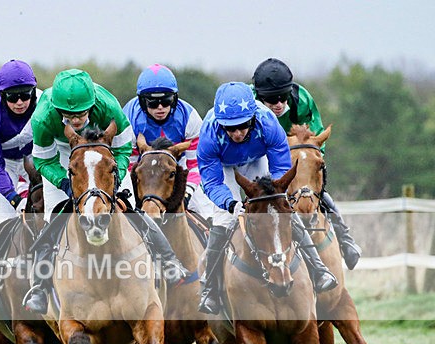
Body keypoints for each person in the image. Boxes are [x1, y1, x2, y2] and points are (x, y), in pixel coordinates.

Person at [23, 69, 188, 314]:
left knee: (133, 211)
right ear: (58, 111)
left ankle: (169, 262)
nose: (76, 120)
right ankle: (39, 286)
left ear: (92, 104)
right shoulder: (43, 118)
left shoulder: (109, 106)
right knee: (52, 220)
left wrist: (113, 178)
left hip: (104, 156)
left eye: (81, 113)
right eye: (68, 115)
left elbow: (123, 150)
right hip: (63, 155)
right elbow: (43, 162)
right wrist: (65, 182)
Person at [196, 82, 337, 315]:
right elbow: (212, 182)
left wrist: (277, 196)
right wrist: (230, 203)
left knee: (279, 212)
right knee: (225, 220)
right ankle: (209, 288)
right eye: (230, 129)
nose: (237, 133)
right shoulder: (209, 134)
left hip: (256, 159)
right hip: (223, 167)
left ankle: (318, 268)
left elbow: (281, 166)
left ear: (252, 118)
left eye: (242, 126)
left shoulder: (268, 123)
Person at [252, 58, 361, 269]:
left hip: (295, 152)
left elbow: (316, 137)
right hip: (260, 153)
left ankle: (345, 238)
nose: (279, 104)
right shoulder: (248, 102)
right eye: (272, 100)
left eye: (283, 98)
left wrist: (312, 165)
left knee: (313, 190)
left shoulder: (301, 99)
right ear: (259, 96)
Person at [0, 59, 39, 313]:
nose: (20, 102)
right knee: (1, 222)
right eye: (13, 98)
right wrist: (14, 197)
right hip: (4, 166)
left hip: (38, 159)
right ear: (2, 96)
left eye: (25, 95)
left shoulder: (45, 104)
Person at [122, 63, 216, 219]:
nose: (160, 107)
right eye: (153, 102)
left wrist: (185, 194)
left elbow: (196, 165)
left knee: (207, 210)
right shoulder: (129, 119)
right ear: (142, 102)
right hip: (144, 170)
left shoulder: (190, 118)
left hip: (179, 166)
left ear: (174, 98)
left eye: (166, 100)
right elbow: (129, 167)